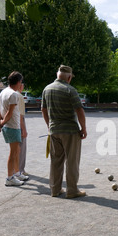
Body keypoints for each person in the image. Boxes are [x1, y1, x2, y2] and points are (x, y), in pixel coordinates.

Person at [41, 65, 87, 198]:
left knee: (56, 161)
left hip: (54, 130)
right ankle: (72, 190)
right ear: (69, 77)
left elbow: (43, 110)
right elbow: (79, 110)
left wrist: (49, 125)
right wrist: (83, 128)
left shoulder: (47, 89)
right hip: (70, 131)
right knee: (72, 161)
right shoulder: (70, 89)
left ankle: (55, 189)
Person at [0, 71, 29, 186]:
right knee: (13, 152)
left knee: (17, 151)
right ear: (19, 82)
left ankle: (17, 173)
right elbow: (9, 113)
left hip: (11, 126)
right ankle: (10, 178)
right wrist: (1, 124)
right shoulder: (13, 94)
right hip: (12, 126)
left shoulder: (3, 92)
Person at [16, 82, 29, 176]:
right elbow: (21, 115)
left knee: (15, 148)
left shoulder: (6, 93)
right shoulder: (19, 96)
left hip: (10, 123)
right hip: (19, 122)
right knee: (21, 147)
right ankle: (20, 170)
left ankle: (16, 169)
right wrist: (24, 129)